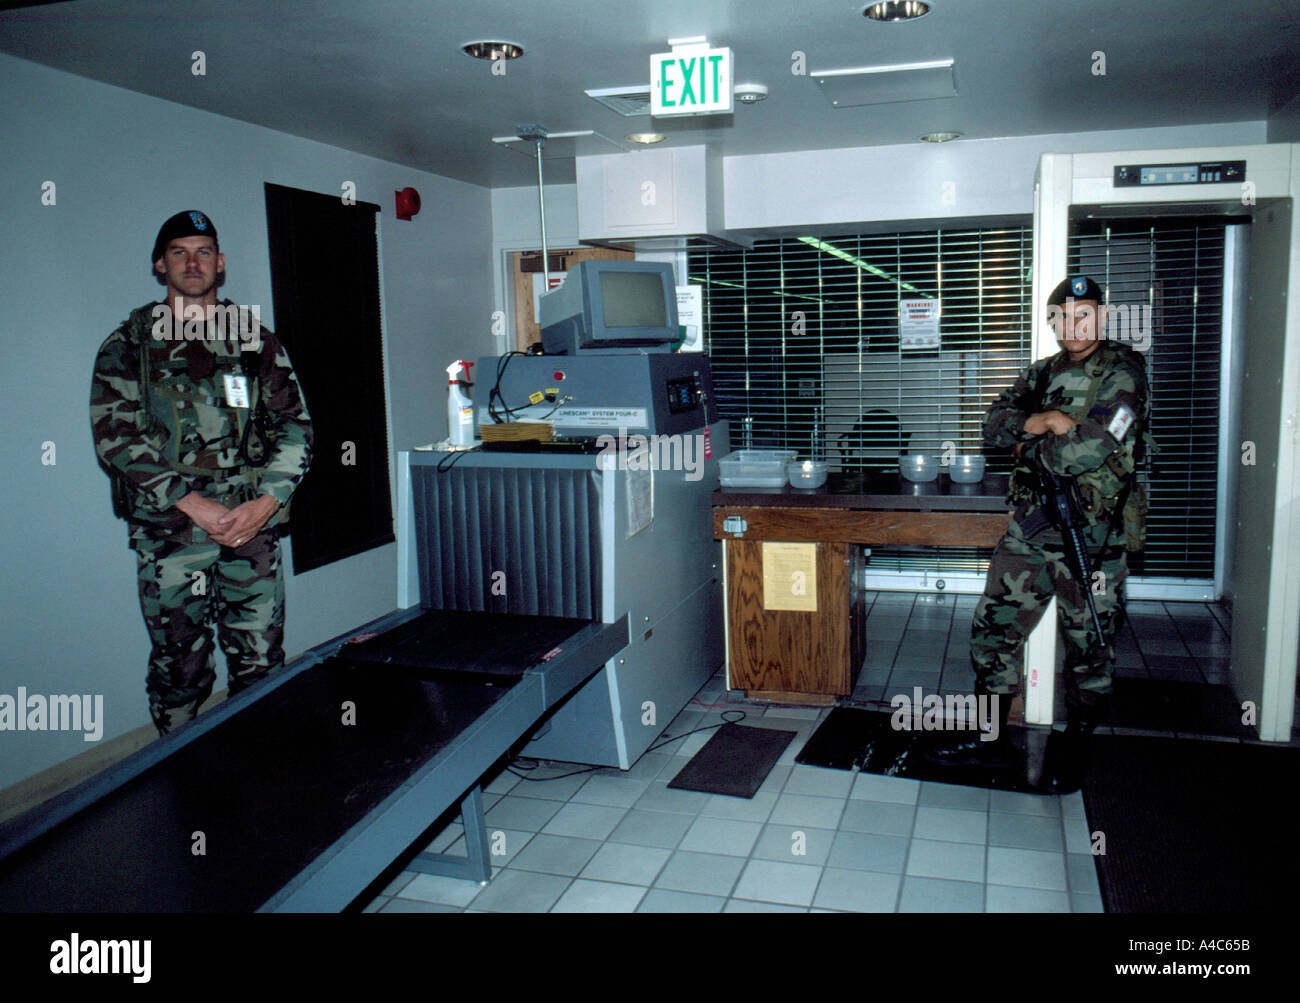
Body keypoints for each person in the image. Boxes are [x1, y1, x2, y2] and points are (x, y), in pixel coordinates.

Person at [923, 276, 1153, 791]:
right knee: (993, 631)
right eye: (1063, 316)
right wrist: (1046, 418)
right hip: (1031, 529)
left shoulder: (1123, 376)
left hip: (1091, 538)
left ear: (1104, 315)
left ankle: (1076, 747)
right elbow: (991, 424)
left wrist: (1029, 443)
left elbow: (1084, 452)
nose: (1073, 326)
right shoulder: (1042, 373)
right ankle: (989, 743)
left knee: (1088, 646)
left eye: (1084, 314)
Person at [90, 210, 313, 735]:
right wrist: (194, 503)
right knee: (180, 670)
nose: (193, 262)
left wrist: (265, 503)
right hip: (171, 533)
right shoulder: (128, 346)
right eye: (178, 252)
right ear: (159, 266)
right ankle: (180, 787)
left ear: (221, 263)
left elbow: (295, 428)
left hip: (252, 529)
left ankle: (262, 778)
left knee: (260, 663)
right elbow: (116, 437)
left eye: (204, 251)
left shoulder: (255, 341)